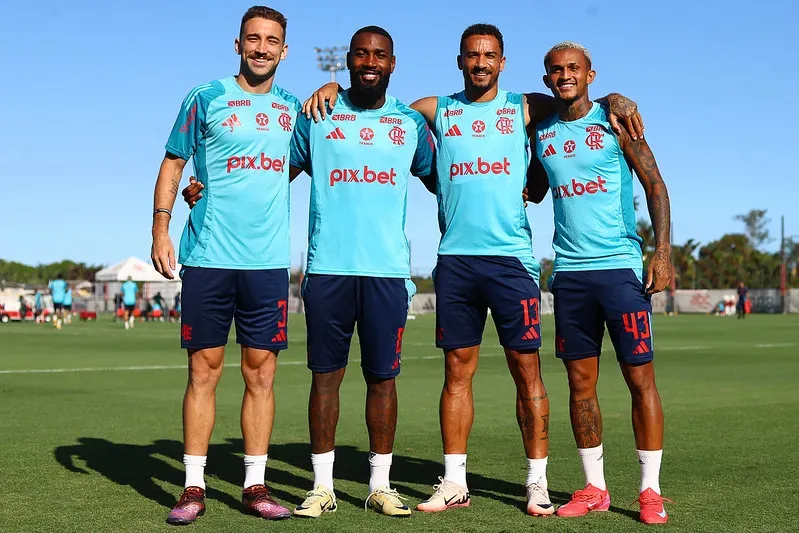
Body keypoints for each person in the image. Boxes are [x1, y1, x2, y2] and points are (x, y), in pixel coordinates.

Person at [302, 24, 642, 516]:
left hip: (512, 262)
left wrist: (614, 97)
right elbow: (382, 104)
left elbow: (575, 100)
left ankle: (537, 483)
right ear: (459, 61)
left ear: (502, 63)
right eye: (471, 56)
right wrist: (334, 88)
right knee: (456, 373)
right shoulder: (434, 110)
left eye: (490, 56)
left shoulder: (524, 107)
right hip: (456, 261)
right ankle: (454, 481)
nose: (480, 63)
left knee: (527, 373)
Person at [150, 5, 298, 525]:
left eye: (271, 40)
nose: (261, 48)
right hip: (209, 258)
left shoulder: (295, 109)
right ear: (238, 45)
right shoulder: (206, 97)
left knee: (262, 374)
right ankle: (193, 487)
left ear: (285, 50)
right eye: (252, 39)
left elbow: (301, 160)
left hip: (267, 264)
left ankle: (255, 485)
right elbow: (174, 161)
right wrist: (161, 228)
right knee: (203, 372)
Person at [527, 42, 672, 524]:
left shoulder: (616, 123)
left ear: (591, 75)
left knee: (640, 379)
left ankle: (650, 491)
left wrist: (663, 253)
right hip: (569, 275)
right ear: (547, 79)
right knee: (580, 385)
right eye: (556, 70)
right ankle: (595, 488)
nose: (565, 75)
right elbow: (539, 184)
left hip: (620, 271)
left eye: (573, 68)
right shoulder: (541, 131)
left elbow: (655, 185)